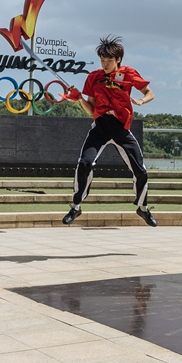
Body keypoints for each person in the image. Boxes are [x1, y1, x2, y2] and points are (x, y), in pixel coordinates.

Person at [62, 36, 156, 227]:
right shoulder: (93, 77)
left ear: (118, 60)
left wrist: (140, 101)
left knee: (140, 170)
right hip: (101, 126)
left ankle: (143, 208)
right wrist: (78, 98)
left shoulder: (128, 74)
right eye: (102, 60)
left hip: (121, 128)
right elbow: (91, 109)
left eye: (109, 61)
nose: (105, 64)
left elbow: (149, 93)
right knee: (84, 162)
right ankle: (76, 205)